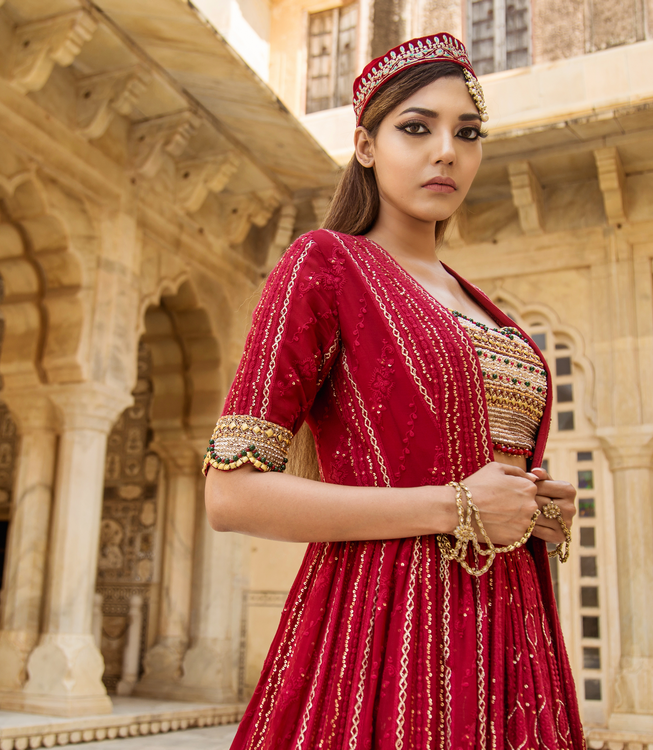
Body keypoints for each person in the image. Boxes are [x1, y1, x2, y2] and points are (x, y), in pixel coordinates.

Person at [203, 32, 585, 749]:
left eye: (465, 133)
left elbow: (474, 463)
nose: (446, 150)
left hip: (510, 633)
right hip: (385, 633)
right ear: (366, 146)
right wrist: (461, 506)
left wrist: (531, 509)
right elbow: (230, 495)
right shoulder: (325, 266)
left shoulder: (483, 309)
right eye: (416, 127)